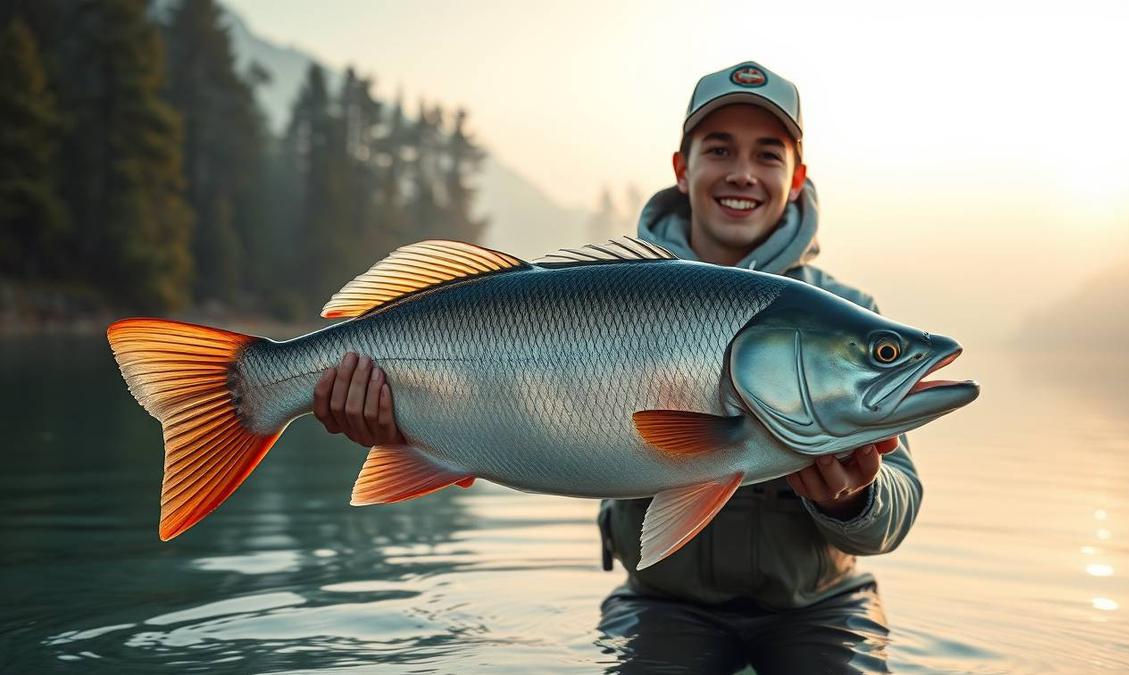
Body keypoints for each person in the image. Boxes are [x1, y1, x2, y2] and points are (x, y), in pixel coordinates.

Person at [313, 61, 917, 674]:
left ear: (796, 178)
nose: (741, 173)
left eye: (768, 154)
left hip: (821, 607)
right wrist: (417, 427)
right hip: (664, 606)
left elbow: (897, 512)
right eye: (719, 149)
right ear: (683, 169)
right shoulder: (608, 287)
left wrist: (854, 499)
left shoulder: (850, 319)